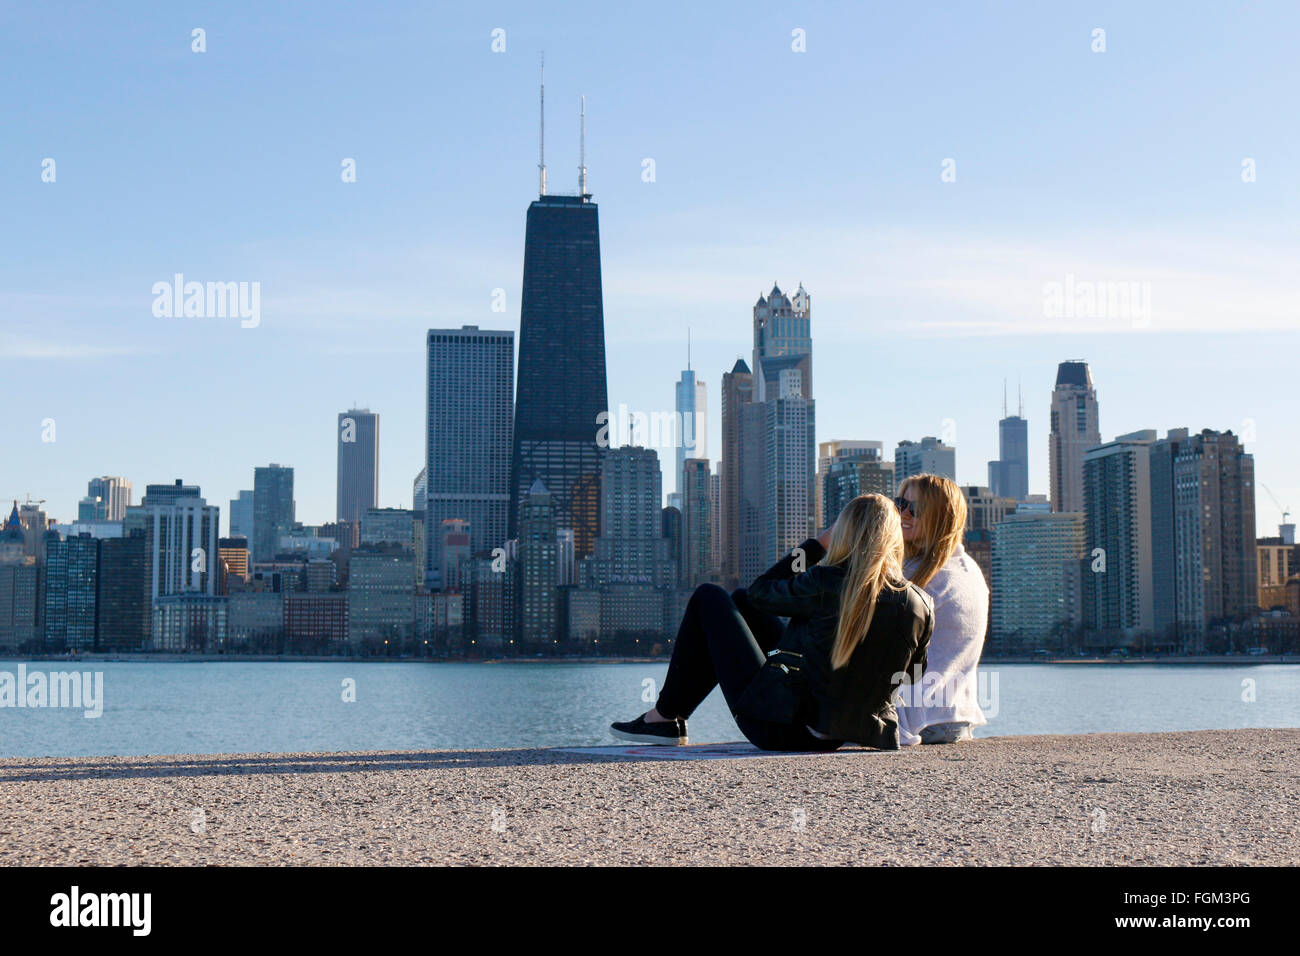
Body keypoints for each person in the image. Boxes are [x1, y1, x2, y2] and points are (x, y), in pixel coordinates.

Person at [610, 493, 933, 751]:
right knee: (736, 602)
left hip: (783, 730)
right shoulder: (920, 603)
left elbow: (760, 591)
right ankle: (665, 720)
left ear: (844, 533)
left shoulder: (826, 581)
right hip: (850, 733)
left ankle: (663, 717)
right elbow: (913, 675)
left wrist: (815, 546)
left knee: (710, 596)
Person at [892, 474, 990, 746]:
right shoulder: (969, 570)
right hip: (954, 719)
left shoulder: (921, 576)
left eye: (916, 508)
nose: (904, 513)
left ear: (941, 516)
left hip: (915, 719)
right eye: (901, 504)